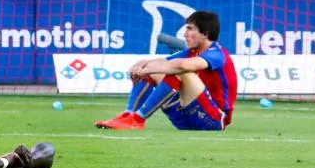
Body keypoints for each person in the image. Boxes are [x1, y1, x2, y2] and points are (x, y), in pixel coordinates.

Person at [95, 11, 238, 132]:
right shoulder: (192, 52)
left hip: (214, 121)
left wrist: (148, 69)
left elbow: (180, 65)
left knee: (180, 70)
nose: (185, 34)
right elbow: (163, 62)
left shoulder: (217, 54)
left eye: (190, 29)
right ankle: (128, 116)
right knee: (155, 70)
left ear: (205, 34)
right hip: (188, 117)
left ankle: (138, 119)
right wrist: (142, 66)